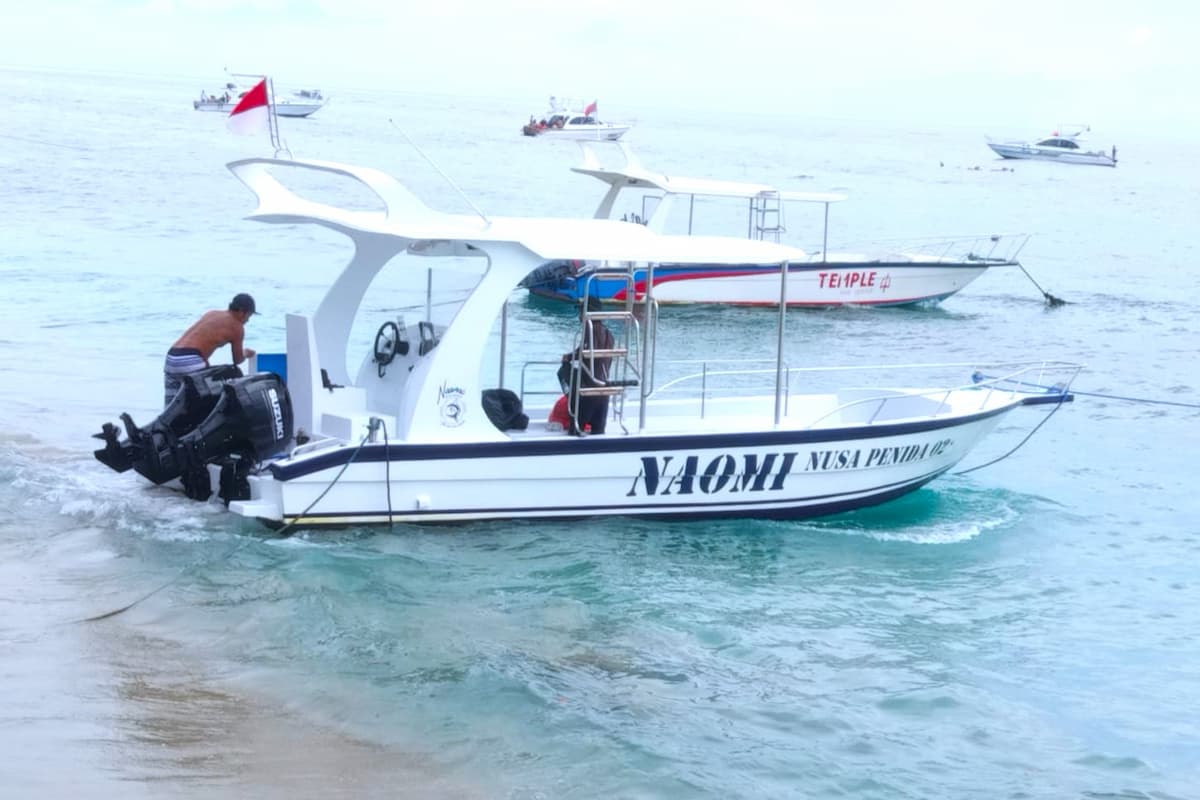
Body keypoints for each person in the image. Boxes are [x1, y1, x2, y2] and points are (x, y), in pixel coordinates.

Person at [163, 293, 258, 406]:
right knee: (206, 405)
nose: (248, 320)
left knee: (170, 407)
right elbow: (237, 360)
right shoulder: (237, 326)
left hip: (172, 357)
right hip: (191, 359)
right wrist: (246, 353)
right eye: (249, 316)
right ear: (242, 312)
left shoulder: (212, 313)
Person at [560, 295, 613, 435]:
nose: (579, 316)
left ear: (587, 313)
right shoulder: (609, 334)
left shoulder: (589, 331)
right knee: (598, 433)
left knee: (576, 431)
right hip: (604, 391)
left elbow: (586, 352)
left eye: (580, 312)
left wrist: (568, 357)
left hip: (588, 391)